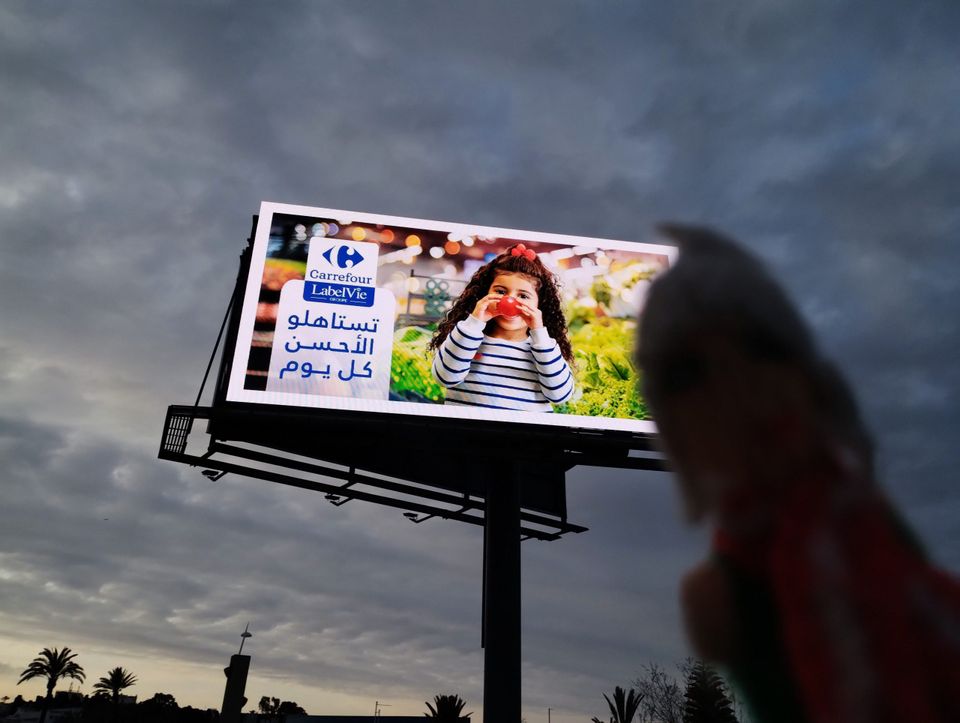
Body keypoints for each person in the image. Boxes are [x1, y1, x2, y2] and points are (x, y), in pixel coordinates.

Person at [635, 223, 960, 723]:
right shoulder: (716, 600)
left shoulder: (867, 519)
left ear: (809, 377)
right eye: (690, 373)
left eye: (761, 349)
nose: (738, 390)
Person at [429, 243, 575, 411]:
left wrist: (540, 334)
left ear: (539, 305)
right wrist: (474, 322)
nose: (510, 301)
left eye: (523, 296)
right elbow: (444, 377)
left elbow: (560, 396)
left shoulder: (545, 349)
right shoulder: (466, 338)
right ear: (484, 294)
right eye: (500, 292)